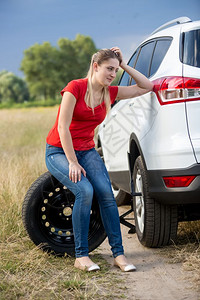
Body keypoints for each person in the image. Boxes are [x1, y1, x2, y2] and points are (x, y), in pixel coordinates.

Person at [45, 47, 153, 272]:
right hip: (59, 151)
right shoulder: (75, 88)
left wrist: (123, 64)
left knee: (106, 193)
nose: (113, 74)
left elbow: (147, 86)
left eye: (115, 70)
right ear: (95, 67)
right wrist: (73, 162)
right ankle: (81, 256)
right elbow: (62, 128)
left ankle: (119, 255)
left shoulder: (110, 92)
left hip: (87, 151)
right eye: (109, 69)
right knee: (85, 191)